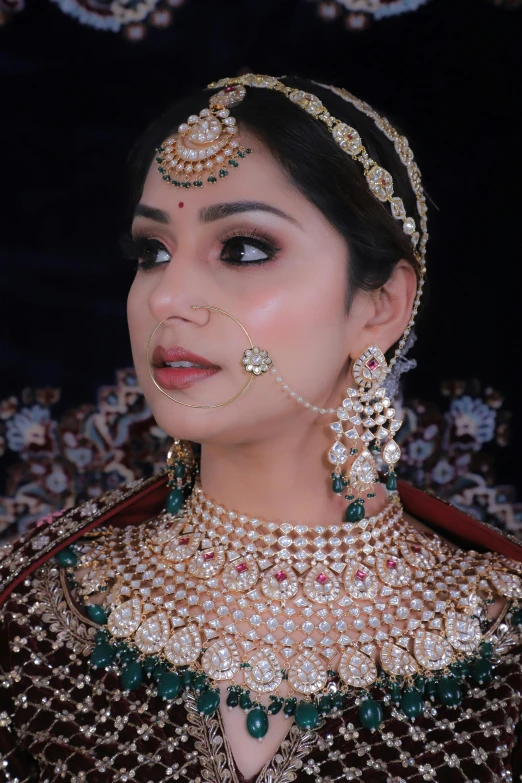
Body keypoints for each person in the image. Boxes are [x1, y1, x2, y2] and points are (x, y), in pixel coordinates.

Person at [1, 74, 521, 783]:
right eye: (153, 251)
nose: (169, 297)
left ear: (380, 305)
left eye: (243, 248)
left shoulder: (504, 640)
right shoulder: (35, 611)